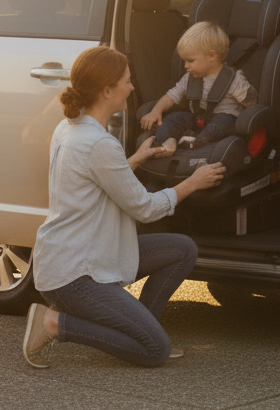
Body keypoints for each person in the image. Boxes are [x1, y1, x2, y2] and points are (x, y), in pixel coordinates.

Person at [23, 45, 225, 368]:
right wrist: (192, 183)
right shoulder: (99, 143)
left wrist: (135, 159)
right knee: (155, 351)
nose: (132, 87)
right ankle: (54, 324)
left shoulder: (71, 127)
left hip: (82, 255)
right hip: (74, 276)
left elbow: (99, 179)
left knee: (183, 249)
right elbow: (144, 208)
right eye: (127, 81)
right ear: (107, 90)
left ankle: (141, 329)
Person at [139, 21, 258, 156]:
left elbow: (252, 103)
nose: (185, 66)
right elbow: (171, 96)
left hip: (224, 120)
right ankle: (165, 144)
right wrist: (156, 111)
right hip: (197, 118)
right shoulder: (189, 78)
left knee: (221, 123)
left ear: (212, 56)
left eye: (190, 60)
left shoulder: (234, 79)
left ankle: (195, 142)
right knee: (172, 119)